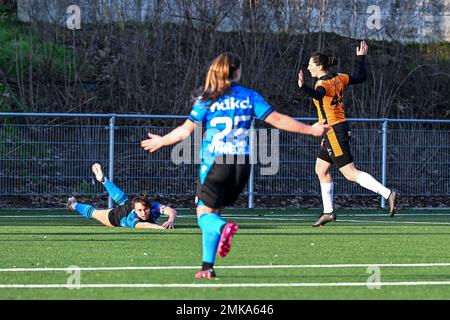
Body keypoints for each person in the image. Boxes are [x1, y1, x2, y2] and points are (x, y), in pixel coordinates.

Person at [141, 52, 328, 279]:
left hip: (216, 164)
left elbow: (185, 130)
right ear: (238, 72)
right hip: (242, 165)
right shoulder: (249, 97)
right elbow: (277, 120)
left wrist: (161, 140)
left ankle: (223, 229)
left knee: (204, 215)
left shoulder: (208, 97)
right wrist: (311, 129)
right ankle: (207, 267)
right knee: (213, 210)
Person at [297, 41, 397, 228]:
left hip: (334, 130)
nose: (308, 67)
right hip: (334, 130)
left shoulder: (323, 83)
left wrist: (302, 87)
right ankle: (328, 212)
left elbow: (318, 94)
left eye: (311, 64)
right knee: (321, 169)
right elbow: (360, 76)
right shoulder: (339, 77)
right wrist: (361, 58)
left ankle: (387, 193)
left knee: (350, 173)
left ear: (319, 66)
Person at [66, 163, 177, 229]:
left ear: (150, 206)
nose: (143, 213)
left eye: (146, 209)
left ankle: (104, 180)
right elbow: (141, 226)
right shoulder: (131, 218)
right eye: (140, 210)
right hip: (115, 217)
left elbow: (171, 210)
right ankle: (73, 205)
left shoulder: (154, 207)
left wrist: (170, 220)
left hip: (128, 204)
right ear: (135, 210)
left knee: (124, 200)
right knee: (93, 213)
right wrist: (158, 227)